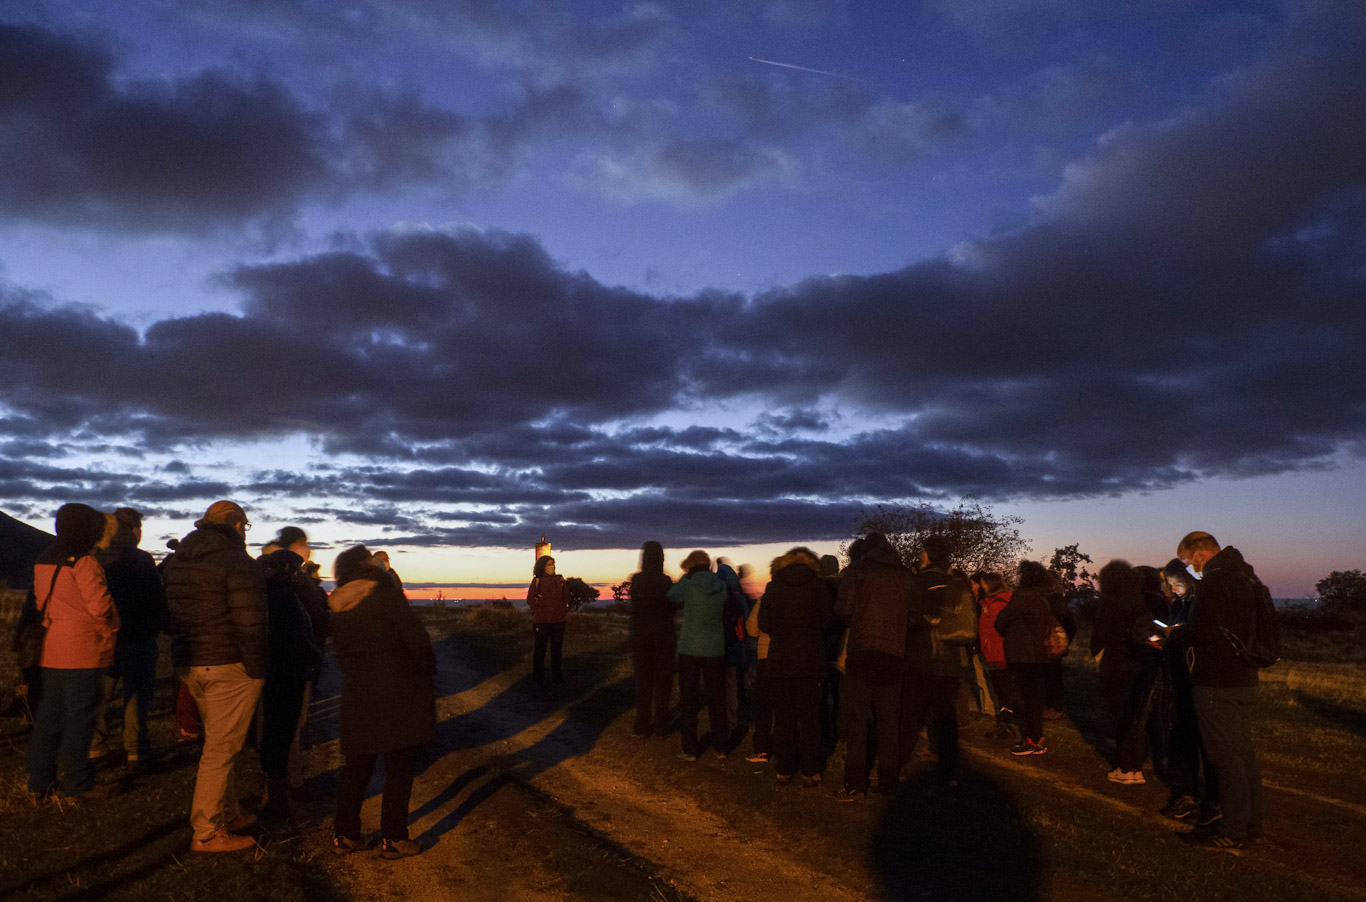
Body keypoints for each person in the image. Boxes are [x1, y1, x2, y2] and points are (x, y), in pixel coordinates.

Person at [162, 500, 268, 853]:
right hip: (228, 664)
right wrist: (256, 670)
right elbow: (251, 624)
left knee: (219, 744)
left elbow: (169, 614)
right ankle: (207, 832)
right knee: (220, 751)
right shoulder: (238, 563)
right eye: (246, 526)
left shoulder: (178, 561)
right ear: (237, 526)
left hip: (192, 664)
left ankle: (229, 812)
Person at [329, 545, 435, 859]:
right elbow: (419, 645)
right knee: (399, 770)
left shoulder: (338, 608)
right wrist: (426, 674)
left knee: (356, 769)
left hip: (358, 694)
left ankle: (346, 834)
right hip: (398, 694)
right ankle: (394, 837)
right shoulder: (388, 600)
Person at [1164, 532, 1265, 852]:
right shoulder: (1249, 578)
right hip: (1245, 677)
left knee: (1225, 757)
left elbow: (1201, 631)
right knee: (1244, 753)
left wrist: (1174, 635)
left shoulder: (1214, 582)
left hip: (1216, 681)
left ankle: (1233, 829)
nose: (1189, 567)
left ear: (1200, 554)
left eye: (1188, 560)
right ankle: (1252, 822)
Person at [26, 503, 121, 802]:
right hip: (83, 648)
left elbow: (42, 602)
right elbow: (100, 606)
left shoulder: (44, 558)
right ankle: (79, 785)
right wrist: (112, 625)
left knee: (49, 717)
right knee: (80, 719)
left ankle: (39, 782)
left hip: (53, 647)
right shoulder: (84, 563)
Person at [834, 534, 918, 799]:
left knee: (858, 719)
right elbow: (915, 618)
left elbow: (843, 610)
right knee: (889, 721)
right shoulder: (906, 576)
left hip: (862, 651)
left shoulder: (857, 570)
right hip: (893, 653)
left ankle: (855, 783)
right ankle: (889, 783)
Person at [90, 508, 166, 770]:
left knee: (99, 696)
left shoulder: (95, 556)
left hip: (103, 637)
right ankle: (135, 751)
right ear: (135, 529)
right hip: (138, 635)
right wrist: (156, 627)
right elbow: (155, 598)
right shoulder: (142, 559)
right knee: (136, 696)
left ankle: (95, 747)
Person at [257, 527, 324, 821]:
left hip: (270, 667)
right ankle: (280, 793)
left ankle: (276, 788)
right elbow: (314, 623)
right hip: (289, 669)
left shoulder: (262, 590)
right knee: (283, 730)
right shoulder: (289, 594)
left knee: (273, 730)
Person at [757, 547, 836, 785]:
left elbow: (765, 623)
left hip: (780, 660)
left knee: (783, 717)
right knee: (810, 717)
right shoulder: (817, 587)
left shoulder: (774, 587)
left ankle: (784, 768)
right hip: (811, 661)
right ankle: (810, 770)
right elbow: (828, 621)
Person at [902, 536, 972, 789]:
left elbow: (908, 621)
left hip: (919, 660)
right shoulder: (957, 584)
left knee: (910, 716)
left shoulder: (916, 583)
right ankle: (949, 772)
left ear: (928, 556)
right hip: (950, 661)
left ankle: (895, 767)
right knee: (946, 717)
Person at [1092, 560, 1160, 784]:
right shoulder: (1140, 601)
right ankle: (1136, 768)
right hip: (1139, 664)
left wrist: (1097, 655)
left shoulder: (1110, 602)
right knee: (1135, 718)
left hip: (1116, 664)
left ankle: (1123, 767)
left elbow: (1099, 635)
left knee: (1119, 717)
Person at [1159, 559, 1211, 822]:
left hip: (1196, 677)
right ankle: (1188, 791)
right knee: (1182, 735)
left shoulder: (1199, 604)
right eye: (1170, 585)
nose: (1174, 589)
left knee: (1200, 737)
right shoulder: (1179, 604)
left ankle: (1206, 798)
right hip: (1177, 674)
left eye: (1177, 584)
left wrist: (1175, 635)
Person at [668, 550, 729, 760]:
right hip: (716, 648)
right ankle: (721, 747)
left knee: (689, 700)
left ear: (691, 565)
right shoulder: (720, 584)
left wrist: (685, 576)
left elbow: (671, 595)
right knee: (717, 699)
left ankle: (690, 749)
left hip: (690, 648)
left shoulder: (689, 583)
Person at [994, 560, 1055, 756]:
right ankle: (1037, 738)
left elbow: (1001, 621)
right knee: (1035, 698)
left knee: (1029, 699)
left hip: (1023, 654)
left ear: (1025, 576)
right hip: (1040, 654)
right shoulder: (1044, 597)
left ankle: (1032, 740)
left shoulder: (1022, 596)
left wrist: (1008, 630)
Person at [628, 542, 675, 737]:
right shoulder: (666, 582)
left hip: (640, 636)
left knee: (643, 682)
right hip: (663, 635)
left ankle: (642, 724)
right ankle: (661, 725)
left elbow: (635, 606)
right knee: (663, 683)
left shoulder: (637, 580)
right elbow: (672, 606)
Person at [976, 572, 1021, 742]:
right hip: (993, 652)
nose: (982, 587)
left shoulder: (997, 604)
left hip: (998, 654)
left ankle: (1005, 727)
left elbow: (999, 632)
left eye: (984, 584)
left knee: (1003, 692)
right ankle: (1006, 723)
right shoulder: (991, 603)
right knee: (1002, 692)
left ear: (991, 585)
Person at [527, 555, 570, 684]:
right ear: (543, 566)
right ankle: (538, 677)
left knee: (557, 650)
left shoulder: (560, 580)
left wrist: (564, 611)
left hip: (558, 622)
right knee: (540, 649)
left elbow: (566, 598)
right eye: (549, 564)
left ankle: (557, 678)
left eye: (553, 564)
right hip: (542, 622)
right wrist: (539, 611)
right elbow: (530, 599)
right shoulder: (537, 581)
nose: (553, 567)